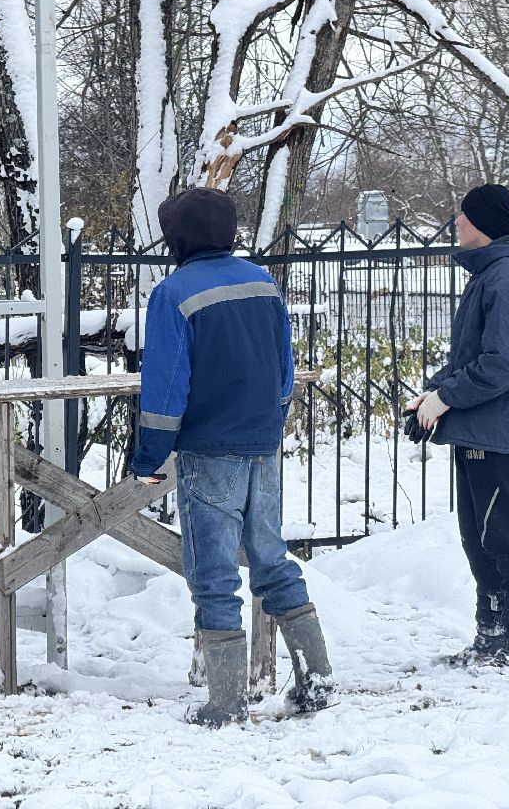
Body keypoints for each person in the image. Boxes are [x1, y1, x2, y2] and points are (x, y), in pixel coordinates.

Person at [129, 187, 332, 726]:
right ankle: (316, 681)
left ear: (178, 237)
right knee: (271, 558)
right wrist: (270, 423)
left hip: (208, 448)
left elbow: (166, 386)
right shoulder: (262, 283)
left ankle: (225, 702)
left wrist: (149, 456)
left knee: (214, 573)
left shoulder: (174, 293)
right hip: (262, 444)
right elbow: (285, 369)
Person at [408, 183, 509, 668]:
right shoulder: (491, 275)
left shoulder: (506, 280)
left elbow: (502, 363)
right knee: (479, 536)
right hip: (481, 428)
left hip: (498, 431)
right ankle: (490, 637)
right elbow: (471, 357)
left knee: (504, 534)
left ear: (484, 225)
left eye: (465, 215)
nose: (457, 222)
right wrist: (433, 394)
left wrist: (447, 397)